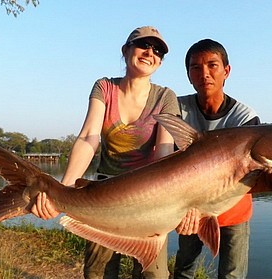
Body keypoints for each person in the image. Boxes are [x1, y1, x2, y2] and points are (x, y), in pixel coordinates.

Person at [31, 26, 180, 279]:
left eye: (158, 51)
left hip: (148, 198)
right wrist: (63, 189)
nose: (150, 53)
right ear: (126, 50)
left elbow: (163, 154)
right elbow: (89, 136)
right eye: (143, 45)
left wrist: (164, 208)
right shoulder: (104, 87)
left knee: (154, 275)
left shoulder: (166, 97)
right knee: (98, 273)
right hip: (102, 195)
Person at [173, 39, 260, 279]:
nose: (205, 74)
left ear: (226, 71)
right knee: (184, 269)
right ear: (189, 75)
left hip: (234, 208)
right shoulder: (177, 109)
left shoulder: (245, 117)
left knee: (232, 275)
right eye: (195, 68)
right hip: (191, 207)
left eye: (212, 65)